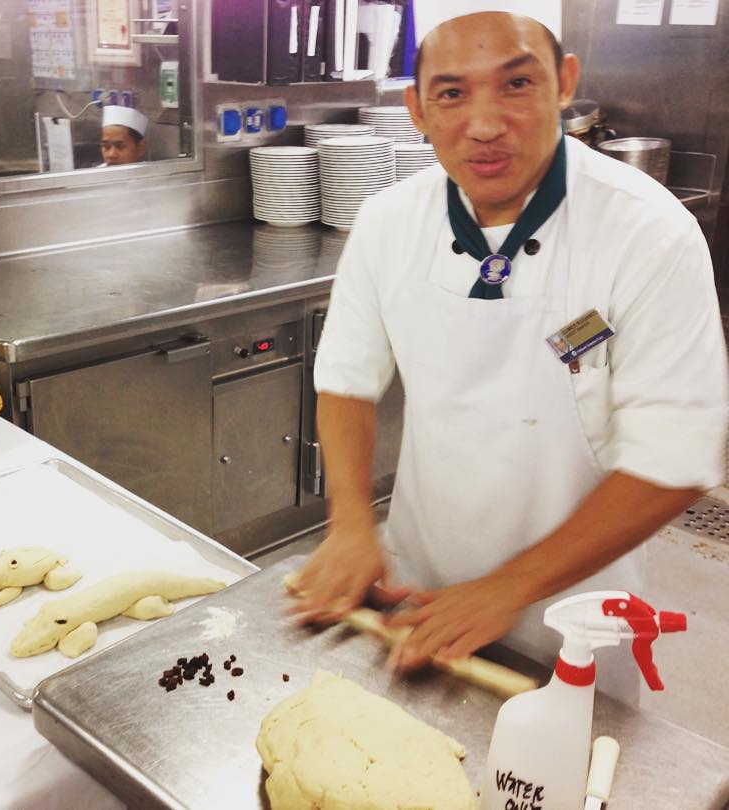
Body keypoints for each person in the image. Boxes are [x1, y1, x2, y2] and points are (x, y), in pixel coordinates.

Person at [290, 0, 727, 701]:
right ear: (417, 109)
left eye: (517, 84)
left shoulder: (649, 234)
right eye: (453, 93)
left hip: (576, 614)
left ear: (564, 83)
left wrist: (509, 588)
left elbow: (674, 457)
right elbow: (345, 377)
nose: (485, 125)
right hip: (417, 593)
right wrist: (348, 527)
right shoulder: (388, 222)